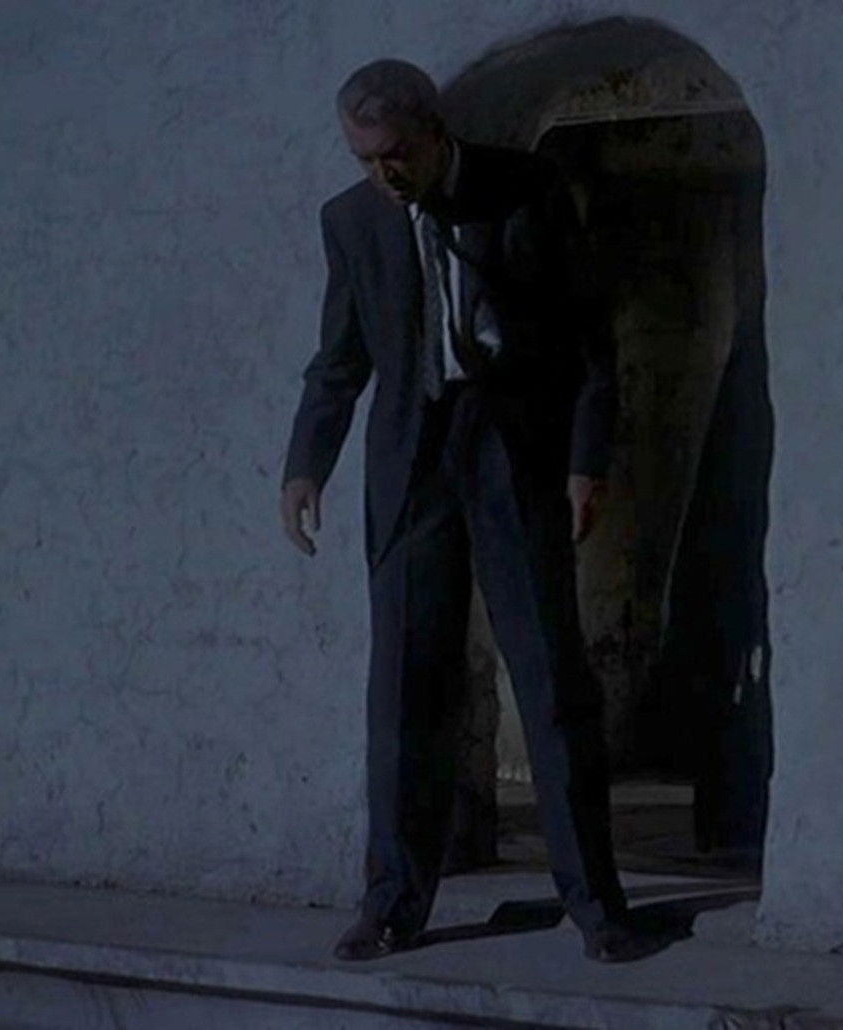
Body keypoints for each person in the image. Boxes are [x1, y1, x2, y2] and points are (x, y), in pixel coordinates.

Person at [279, 58, 653, 963]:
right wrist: (305, 465)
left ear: (435, 132)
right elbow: (341, 358)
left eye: (397, 155)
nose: (385, 174)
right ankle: (393, 902)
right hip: (410, 460)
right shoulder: (351, 220)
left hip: (510, 448)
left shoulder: (526, 190)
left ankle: (595, 904)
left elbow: (589, 336)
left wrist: (585, 458)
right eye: (366, 158)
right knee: (404, 688)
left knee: (549, 675)